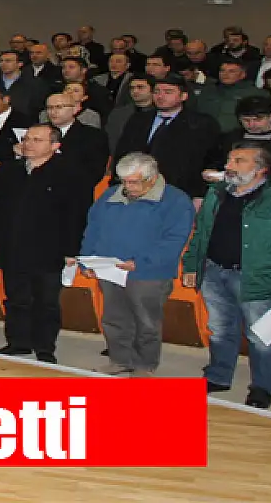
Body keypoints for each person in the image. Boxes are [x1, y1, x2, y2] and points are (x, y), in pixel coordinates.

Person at [181, 141, 271, 409]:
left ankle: (262, 387)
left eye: (239, 161)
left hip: (258, 277)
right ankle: (218, 376)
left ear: (261, 169)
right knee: (220, 329)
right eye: (229, 160)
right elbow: (201, 232)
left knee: (261, 337)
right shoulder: (216, 193)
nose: (228, 166)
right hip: (214, 271)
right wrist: (191, 265)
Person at [78, 153, 195, 376]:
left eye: (134, 182)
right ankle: (119, 360)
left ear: (153, 178)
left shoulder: (176, 201)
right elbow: (93, 228)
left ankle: (144, 366)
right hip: (109, 269)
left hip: (148, 273)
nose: (127, 187)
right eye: (124, 181)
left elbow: (174, 240)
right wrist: (87, 259)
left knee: (146, 323)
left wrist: (141, 262)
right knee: (114, 319)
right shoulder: (111, 194)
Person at [0, 124, 91, 363]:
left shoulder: (70, 173)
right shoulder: (9, 170)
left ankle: (45, 347)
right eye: (27, 139)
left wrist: (72, 250)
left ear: (55, 145)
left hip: (49, 250)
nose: (29, 144)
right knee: (16, 298)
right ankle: (18, 342)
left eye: (37, 140)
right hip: (13, 246)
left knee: (46, 302)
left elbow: (76, 215)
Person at [114, 74, 222, 203]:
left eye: (168, 92)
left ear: (183, 96)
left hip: (179, 193)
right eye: (157, 92)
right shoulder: (138, 120)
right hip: (136, 190)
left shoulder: (201, 124)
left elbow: (208, 161)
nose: (160, 96)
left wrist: (199, 195)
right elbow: (122, 153)